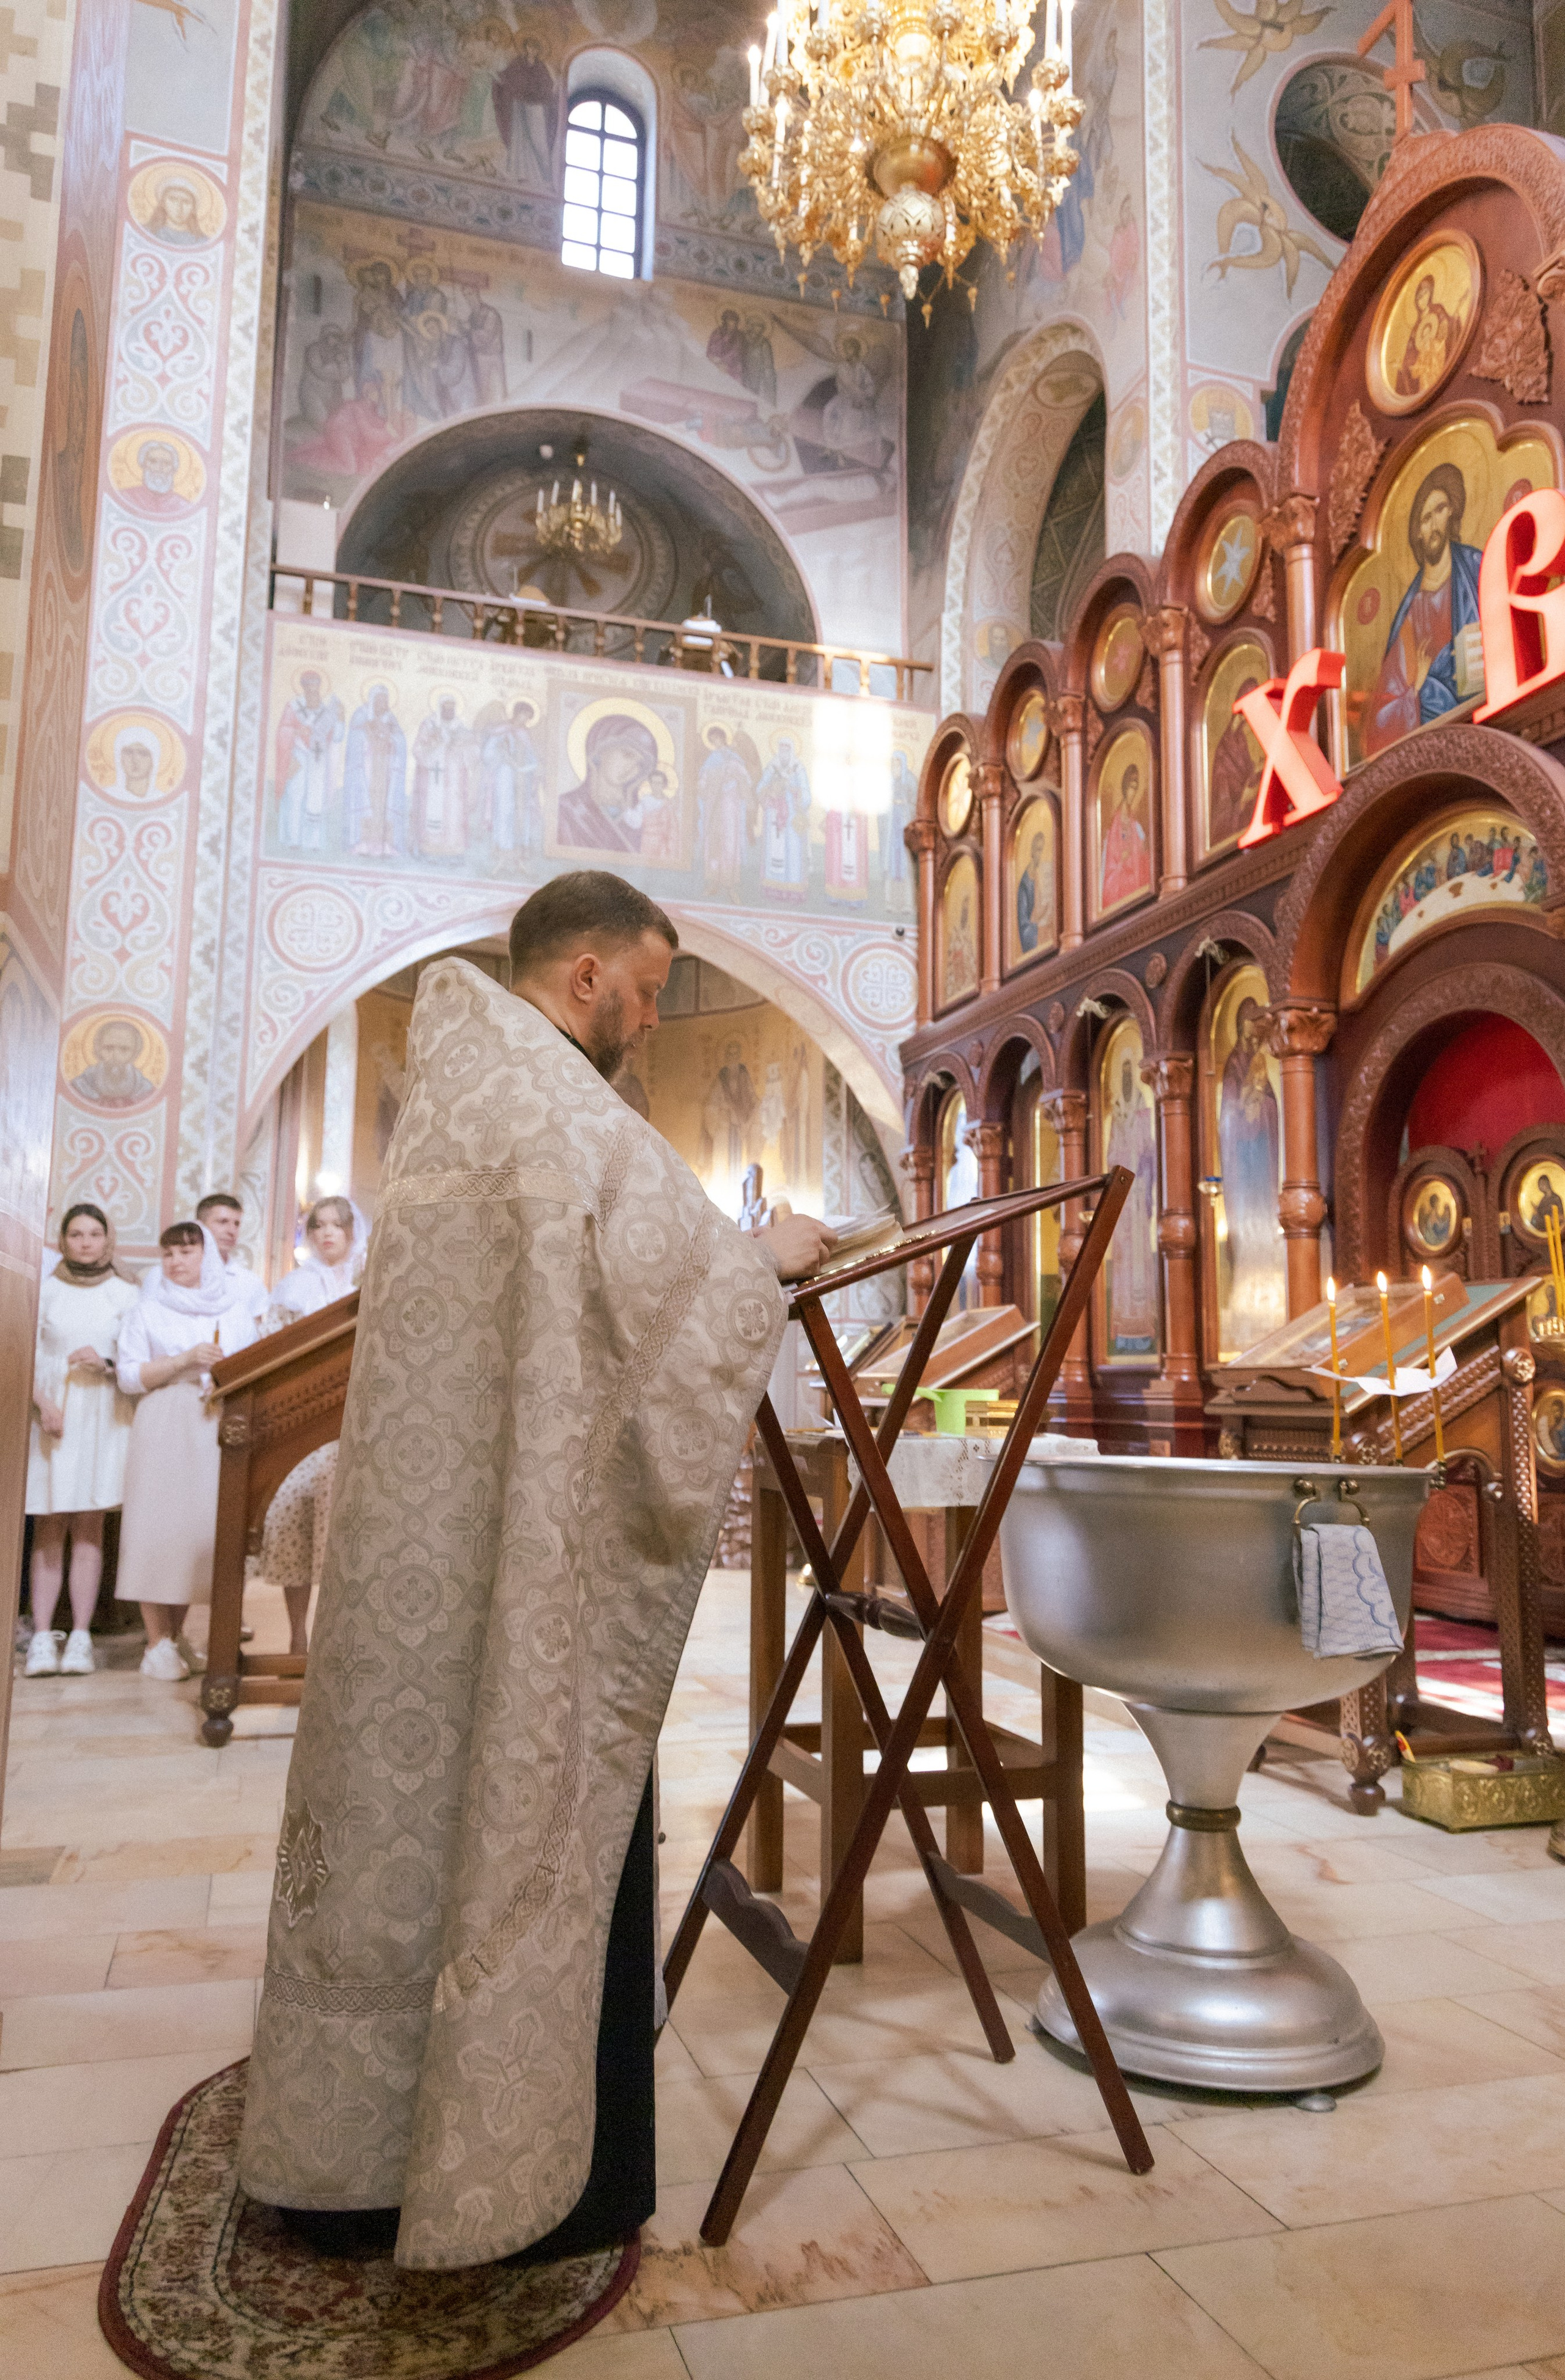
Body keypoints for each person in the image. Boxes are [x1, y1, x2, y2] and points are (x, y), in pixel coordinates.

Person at [239, 870, 834, 2269]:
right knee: (529, 1803)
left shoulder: (473, 1079)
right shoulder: (550, 1100)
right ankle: (527, 2170)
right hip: (514, 1567)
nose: (652, 1017)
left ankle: (356, 2149)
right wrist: (761, 1260)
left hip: (436, 1550)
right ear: (585, 974)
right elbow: (662, 1290)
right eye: (647, 989)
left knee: (408, 1832)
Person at [116, 1222, 257, 1680]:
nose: (176, 1261)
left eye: (186, 1252)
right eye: (169, 1254)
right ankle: (155, 1642)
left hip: (215, 1424)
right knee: (156, 1529)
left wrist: (226, 1376)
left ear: (207, 1257)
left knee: (194, 1533)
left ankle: (176, 1637)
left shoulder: (234, 1311)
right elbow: (129, 1376)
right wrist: (182, 1361)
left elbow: (253, 1365)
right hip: (164, 1420)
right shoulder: (148, 1310)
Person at [24, 1205, 139, 1678]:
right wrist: (42, 1403)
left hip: (102, 1419)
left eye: (94, 1234)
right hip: (53, 1415)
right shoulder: (44, 1289)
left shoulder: (126, 1293)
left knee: (90, 1526)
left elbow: (136, 1359)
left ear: (107, 1239)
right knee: (50, 1527)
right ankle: (42, 1637)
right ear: (64, 1239)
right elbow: (22, 1350)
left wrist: (106, 1365)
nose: (86, 1242)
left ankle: (81, 1638)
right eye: (76, 1234)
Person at [257, 1197, 369, 1656]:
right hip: (303, 1420)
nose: (327, 1234)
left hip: (356, 1421)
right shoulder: (294, 1287)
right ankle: (298, 1637)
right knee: (294, 1519)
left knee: (346, 1529)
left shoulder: (370, 1279)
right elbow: (273, 1346)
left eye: (336, 1226)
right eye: (319, 1226)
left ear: (351, 1231)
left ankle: (341, 1637)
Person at [1364, 463, 1484, 756]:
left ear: (1451, 511)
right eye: (1425, 519)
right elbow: (1380, 719)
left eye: (1439, 510)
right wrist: (1417, 691)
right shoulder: (1409, 613)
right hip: (1433, 746)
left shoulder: (1476, 568)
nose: (1433, 526)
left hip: (1490, 721)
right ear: (1417, 532)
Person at [196, 1191, 269, 1333]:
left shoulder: (250, 1282)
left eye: (236, 1224)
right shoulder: (170, 1275)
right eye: (223, 1222)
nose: (232, 1231)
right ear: (199, 1226)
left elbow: (257, 1337)